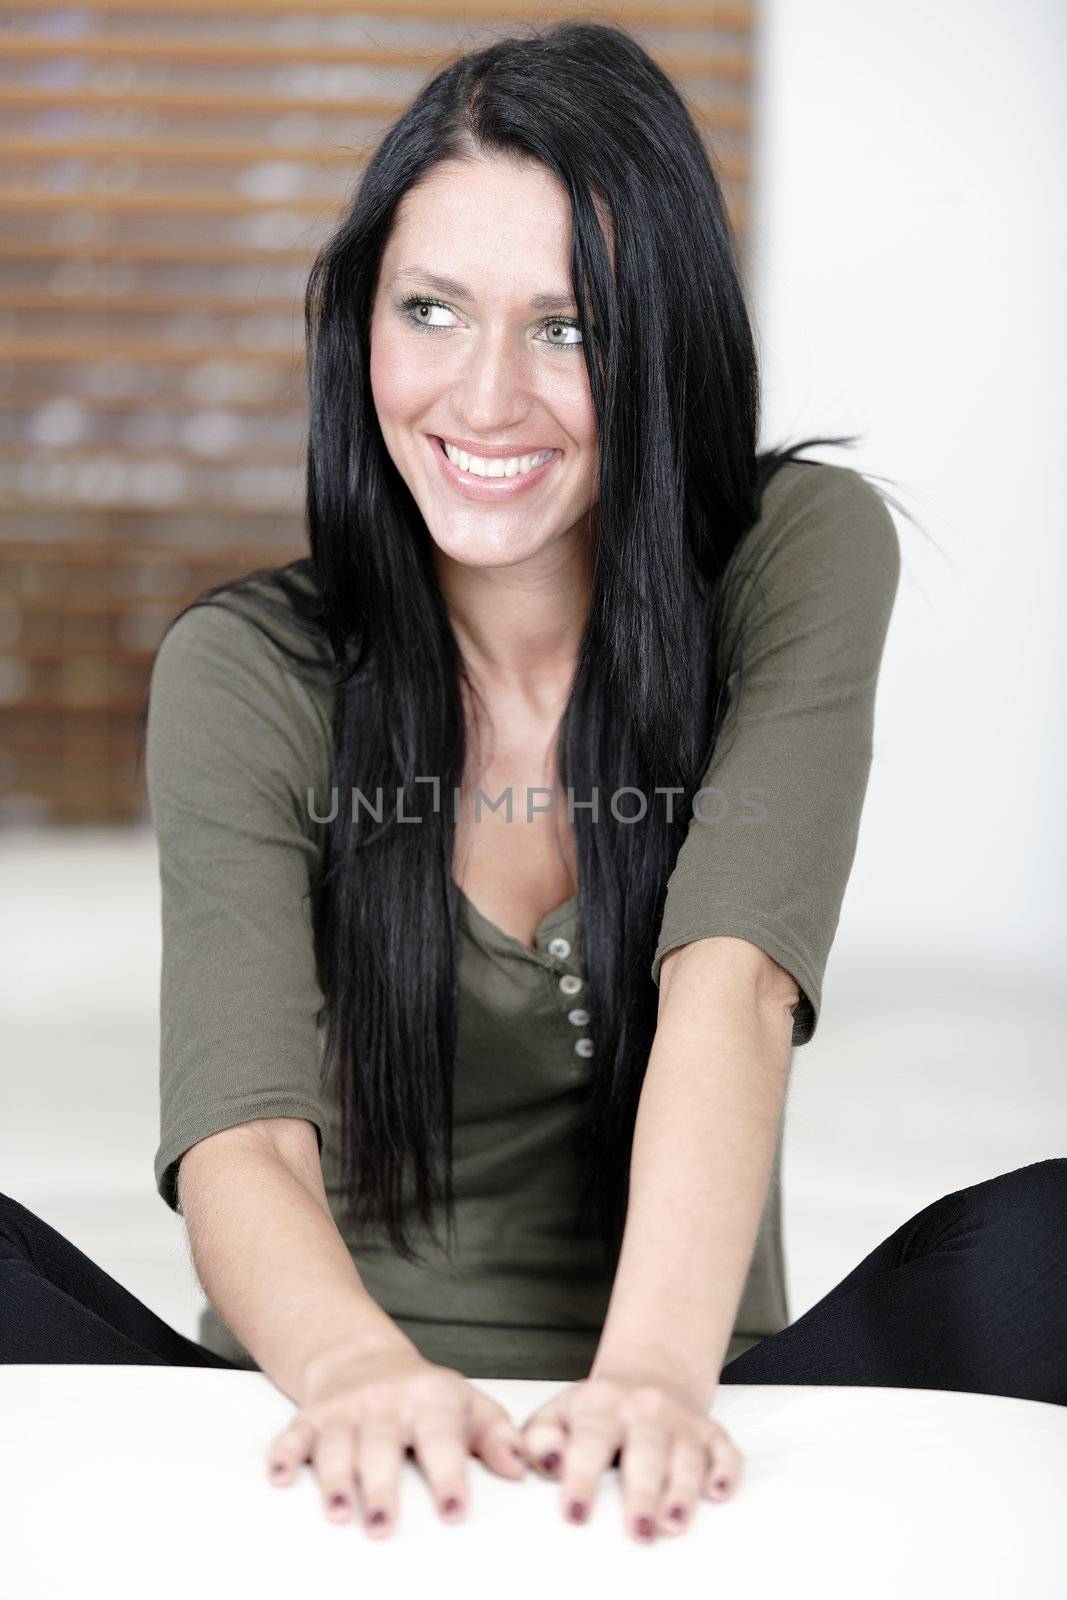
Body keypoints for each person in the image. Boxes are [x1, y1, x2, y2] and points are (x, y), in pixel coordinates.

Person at [2, 20, 1064, 1550]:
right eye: (431, 310)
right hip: (321, 1385)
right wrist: (364, 1375)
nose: (484, 397)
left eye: (568, 328)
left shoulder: (796, 551)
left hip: (695, 1375)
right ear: (359, 324)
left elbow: (736, 981)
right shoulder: (246, 668)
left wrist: (648, 1387)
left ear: (668, 341)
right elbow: (240, 1136)